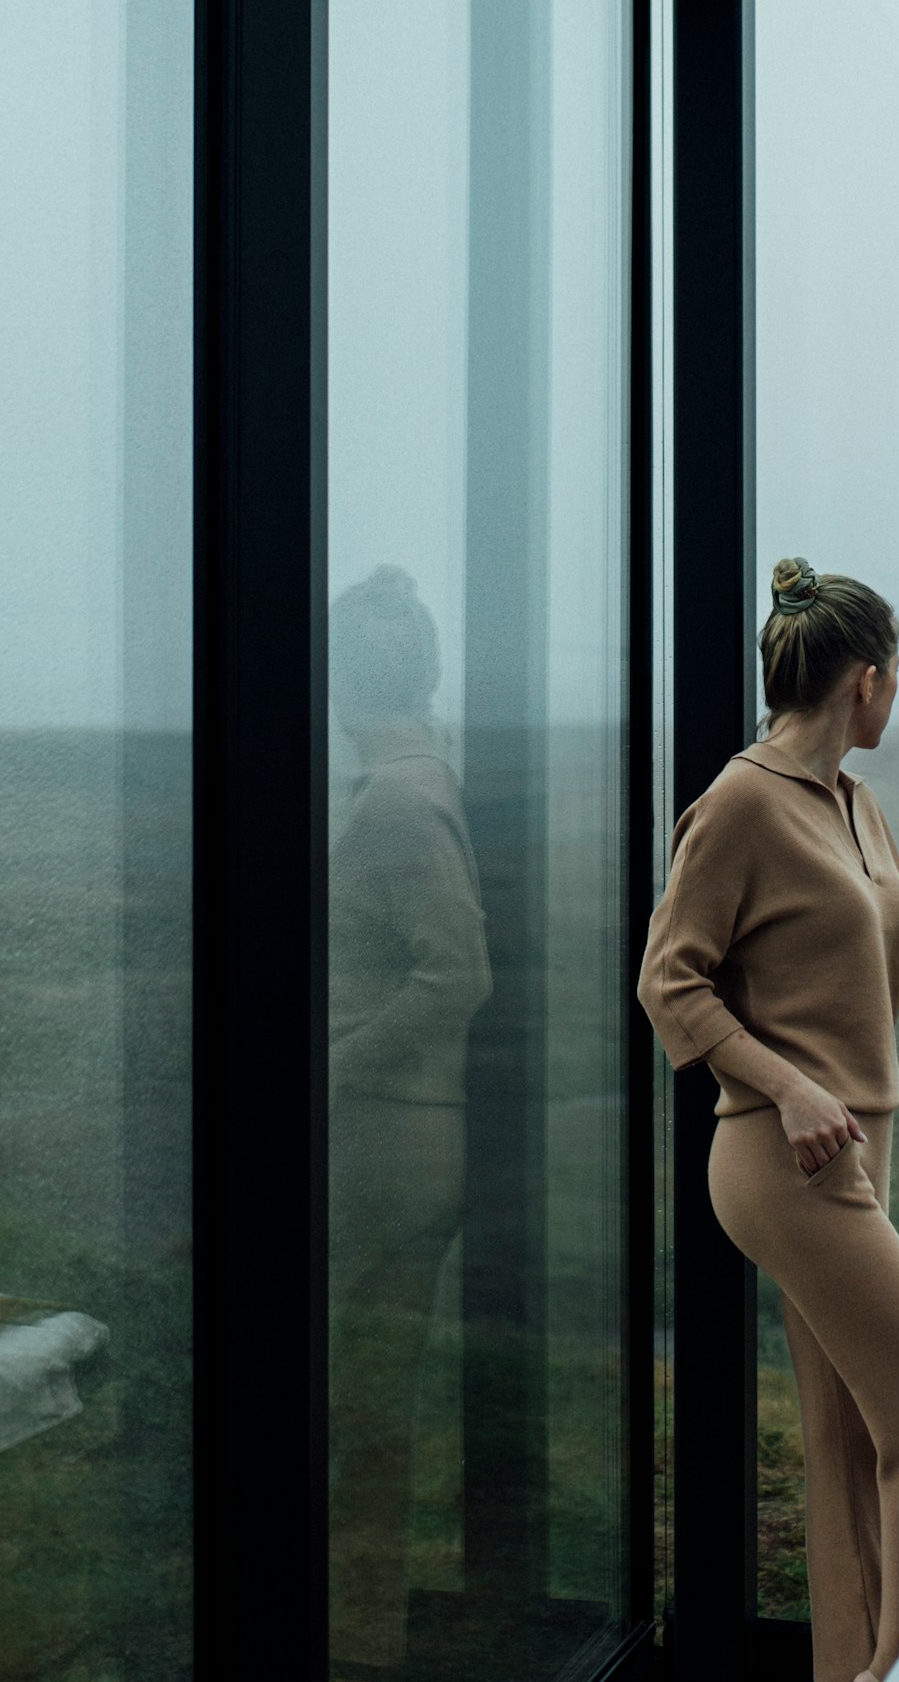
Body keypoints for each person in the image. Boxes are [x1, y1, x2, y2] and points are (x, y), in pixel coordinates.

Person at [639, 557, 899, 1682]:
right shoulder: (738, 803)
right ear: (865, 681)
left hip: (862, 1139)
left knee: (856, 1439)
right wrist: (789, 1085)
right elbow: (669, 983)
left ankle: (850, 1668)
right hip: (785, 1156)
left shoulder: (856, 804)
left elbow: (870, 986)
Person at [327, 566, 491, 1677]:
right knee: (364, 1413)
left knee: (359, 1419)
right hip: (397, 1135)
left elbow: (457, 974)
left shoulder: (394, 797)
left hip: (384, 1139)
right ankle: (355, 1637)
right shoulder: (415, 776)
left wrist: (330, 1069)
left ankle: (355, 1644)